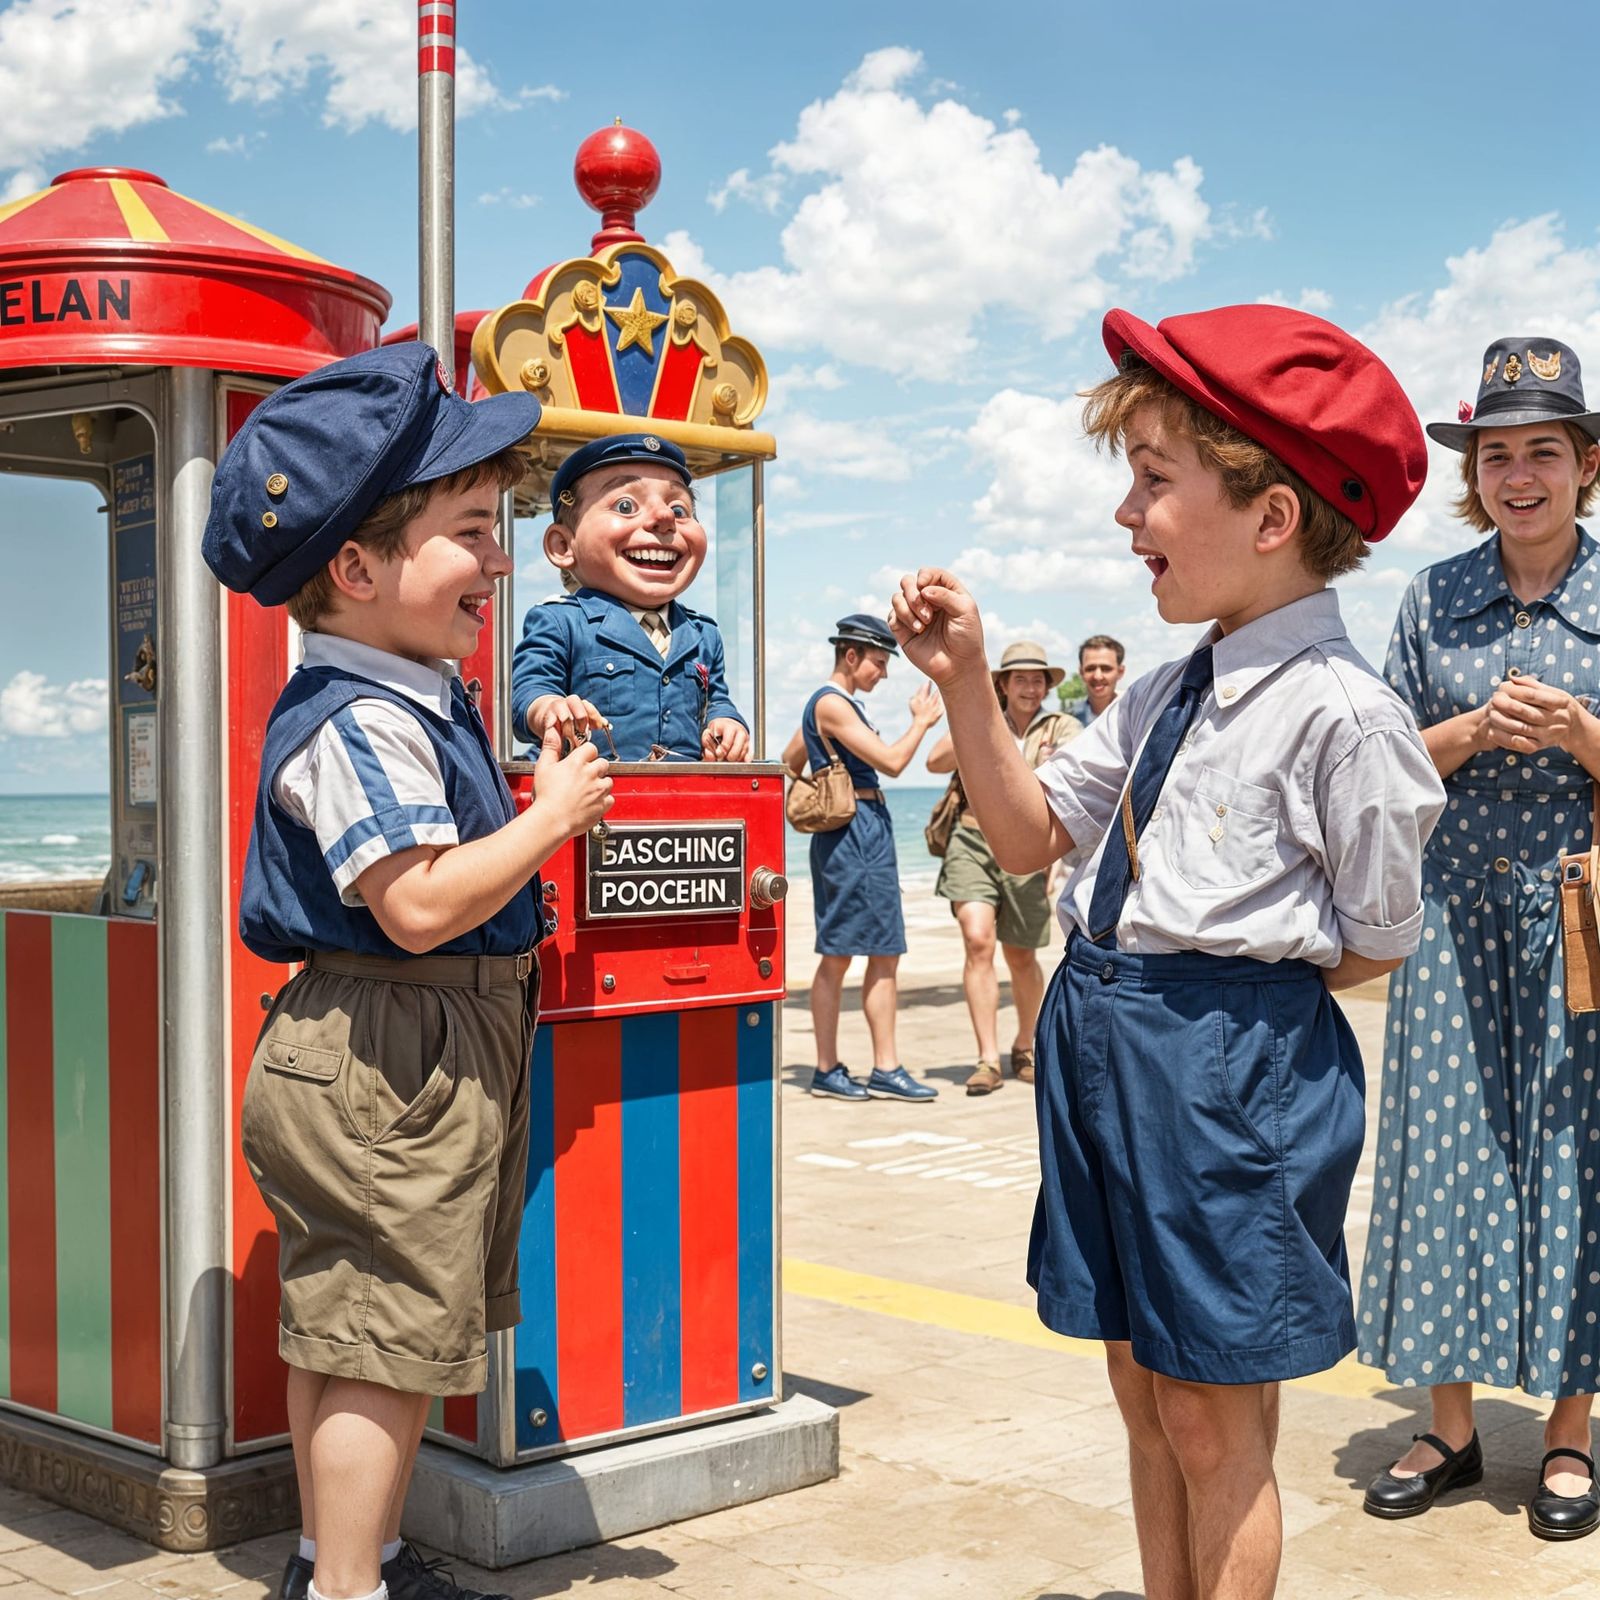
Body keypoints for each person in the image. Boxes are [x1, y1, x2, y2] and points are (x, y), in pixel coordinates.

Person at [889, 304, 1445, 1600]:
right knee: (1141, 1387)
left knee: (1214, 1420)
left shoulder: (1344, 714)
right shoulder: (1160, 690)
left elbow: (1375, 942)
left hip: (1223, 1060)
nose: (1128, 516)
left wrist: (1223, 1022)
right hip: (1104, 1032)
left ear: (1270, 517)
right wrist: (969, 682)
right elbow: (1027, 835)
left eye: (1154, 481)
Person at [201, 344, 614, 1600]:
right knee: (383, 1345)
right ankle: (348, 1590)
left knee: (353, 1325)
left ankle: (349, 1558)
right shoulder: (362, 719)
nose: (496, 558)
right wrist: (549, 817)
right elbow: (421, 903)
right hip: (398, 1055)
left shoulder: (400, 694)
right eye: (472, 531)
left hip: (397, 1047)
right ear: (361, 568)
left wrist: (527, 741)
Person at [1358, 336, 1600, 1540]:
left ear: (1584, 466)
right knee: (1442, 1151)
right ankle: (1448, 1424)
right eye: (1496, 453)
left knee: (1574, 1153)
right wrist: (1468, 732)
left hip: (1580, 915)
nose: (1517, 474)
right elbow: (1381, 761)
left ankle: (1568, 1429)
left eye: (1541, 451)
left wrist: (1581, 734)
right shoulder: (1430, 596)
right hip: (1449, 908)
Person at [509, 433, 749, 761]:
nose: (665, 518)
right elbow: (529, 694)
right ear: (563, 546)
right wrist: (551, 709)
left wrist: (726, 721)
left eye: (680, 509)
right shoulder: (560, 622)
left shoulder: (703, 633)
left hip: (686, 800)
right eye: (626, 506)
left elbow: (715, 699)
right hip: (591, 798)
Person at [783, 613, 943, 1102]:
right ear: (850, 656)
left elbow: (791, 762)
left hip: (852, 833)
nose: (885, 673)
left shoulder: (828, 706)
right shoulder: (833, 704)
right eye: (879, 662)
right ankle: (867, 1068)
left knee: (861, 951)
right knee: (858, 954)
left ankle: (849, 1068)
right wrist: (920, 724)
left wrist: (822, 787)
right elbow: (892, 763)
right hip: (858, 834)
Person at [926, 640, 1080, 1093]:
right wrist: (978, 722)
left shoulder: (1063, 726)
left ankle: (1025, 1045)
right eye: (1021, 680)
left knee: (1021, 954)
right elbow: (935, 761)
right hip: (971, 837)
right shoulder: (981, 715)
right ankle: (987, 1059)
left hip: (1027, 846)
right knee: (977, 940)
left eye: (1038, 680)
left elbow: (1073, 778)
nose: (1031, 688)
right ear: (1003, 684)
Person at [1061, 634, 1126, 726]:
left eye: (1106, 668)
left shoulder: (1135, 715)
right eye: (1090, 669)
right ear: (1081, 672)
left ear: (1120, 672)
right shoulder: (1068, 720)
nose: (1097, 676)